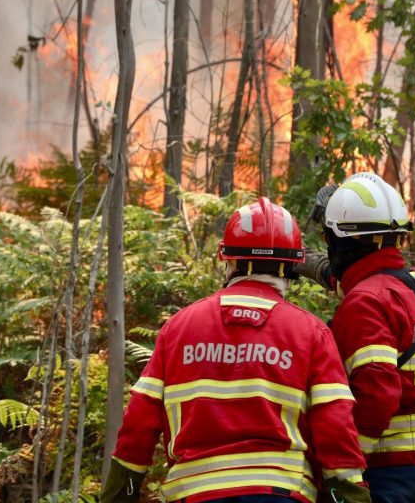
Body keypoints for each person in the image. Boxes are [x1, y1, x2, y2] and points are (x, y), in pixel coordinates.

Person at [101, 197, 370, 503]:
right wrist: (348, 495)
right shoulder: (311, 333)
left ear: (228, 260)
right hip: (280, 494)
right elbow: (335, 428)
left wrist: (119, 496)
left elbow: (138, 426)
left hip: (194, 495)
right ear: (291, 266)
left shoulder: (178, 329)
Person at [298, 172, 415, 503]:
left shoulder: (366, 300)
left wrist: (344, 465)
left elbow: (378, 392)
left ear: (341, 241)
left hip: (400, 471)